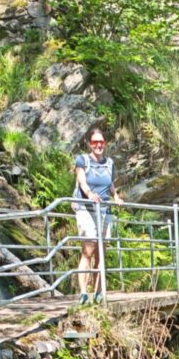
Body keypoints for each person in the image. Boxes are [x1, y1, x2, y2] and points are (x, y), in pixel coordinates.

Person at [73, 128, 123, 304]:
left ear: (105, 144)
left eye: (101, 142)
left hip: (105, 210)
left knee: (101, 252)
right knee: (88, 250)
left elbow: (110, 184)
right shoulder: (83, 160)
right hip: (86, 208)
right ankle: (84, 293)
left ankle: (99, 293)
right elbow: (81, 180)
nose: (98, 145)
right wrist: (89, 194)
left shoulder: (109, 163)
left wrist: (116, 196)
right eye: (95, 142)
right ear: (89, 144)